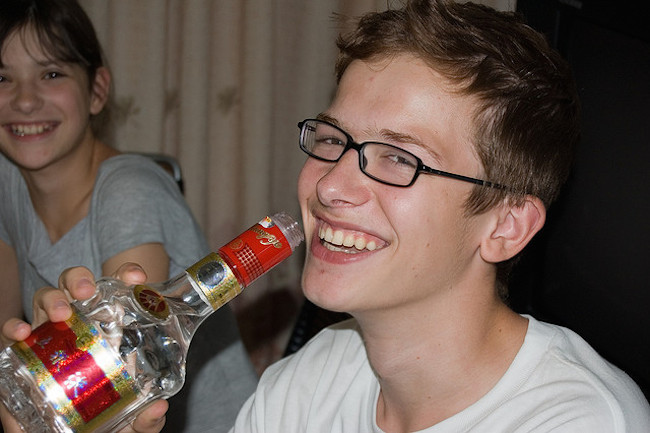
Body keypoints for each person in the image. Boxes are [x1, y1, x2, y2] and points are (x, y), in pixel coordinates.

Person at [5, 0, 650, 432]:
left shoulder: (578, 420)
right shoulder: (309, 381)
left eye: (399, 159)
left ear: (506, 226)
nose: (331, 184)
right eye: (333, 140)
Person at [0, 1, 256, 432]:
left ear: (97, 90)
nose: (25, 100)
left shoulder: (129, 192)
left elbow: (130, 371)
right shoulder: (9, 177)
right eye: (2, 78)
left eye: (52, 74)